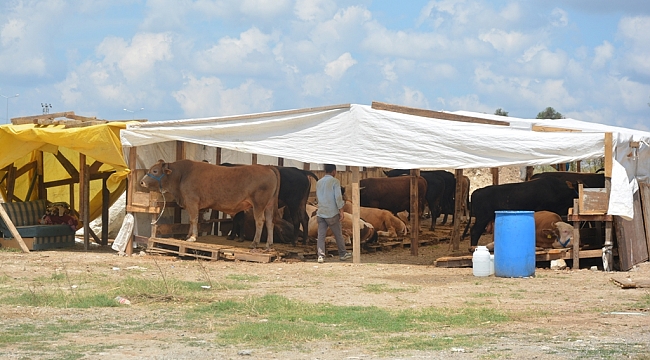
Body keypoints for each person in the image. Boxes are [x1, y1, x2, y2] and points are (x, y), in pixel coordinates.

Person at [315, 164, 352, 263]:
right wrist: (341, 210)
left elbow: (318, 197)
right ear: (334, 171)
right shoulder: (335, 182)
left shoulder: (319, 182)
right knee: (338, 234)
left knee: (321, 235)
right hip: (332, 213)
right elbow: (338, 198)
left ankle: (320, 256)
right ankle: (343, 253)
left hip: (320, 212)